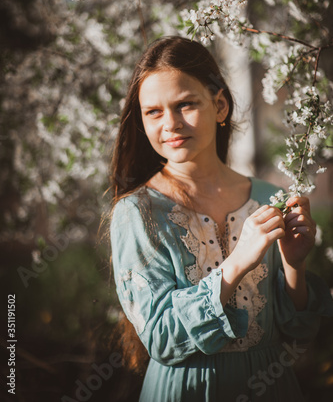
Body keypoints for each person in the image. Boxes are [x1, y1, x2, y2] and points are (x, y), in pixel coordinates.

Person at [109, 36, 333, 402]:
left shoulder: (267, 198)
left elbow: (299, 333)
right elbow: (162, 340)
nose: (170, 124)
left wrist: (295, 265)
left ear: (220, 106)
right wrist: (237, 262)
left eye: (185, 105)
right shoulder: (137, 213)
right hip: (184, 391)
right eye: (153, 112)